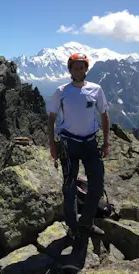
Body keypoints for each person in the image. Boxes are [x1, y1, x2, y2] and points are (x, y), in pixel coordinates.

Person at [47, 53, 110, 239]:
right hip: (68, 144)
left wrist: (107, 141)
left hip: (90, 143)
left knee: (97, 185)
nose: (79, 70)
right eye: (75, 67)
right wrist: (52, 144)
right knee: (69, 187)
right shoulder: (61, 91)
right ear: (70, 70)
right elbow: (51, 118)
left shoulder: (96, 89)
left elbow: (104, 115)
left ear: (86, 69)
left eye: (82, 67)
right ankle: (73, 227)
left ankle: (86, 223)